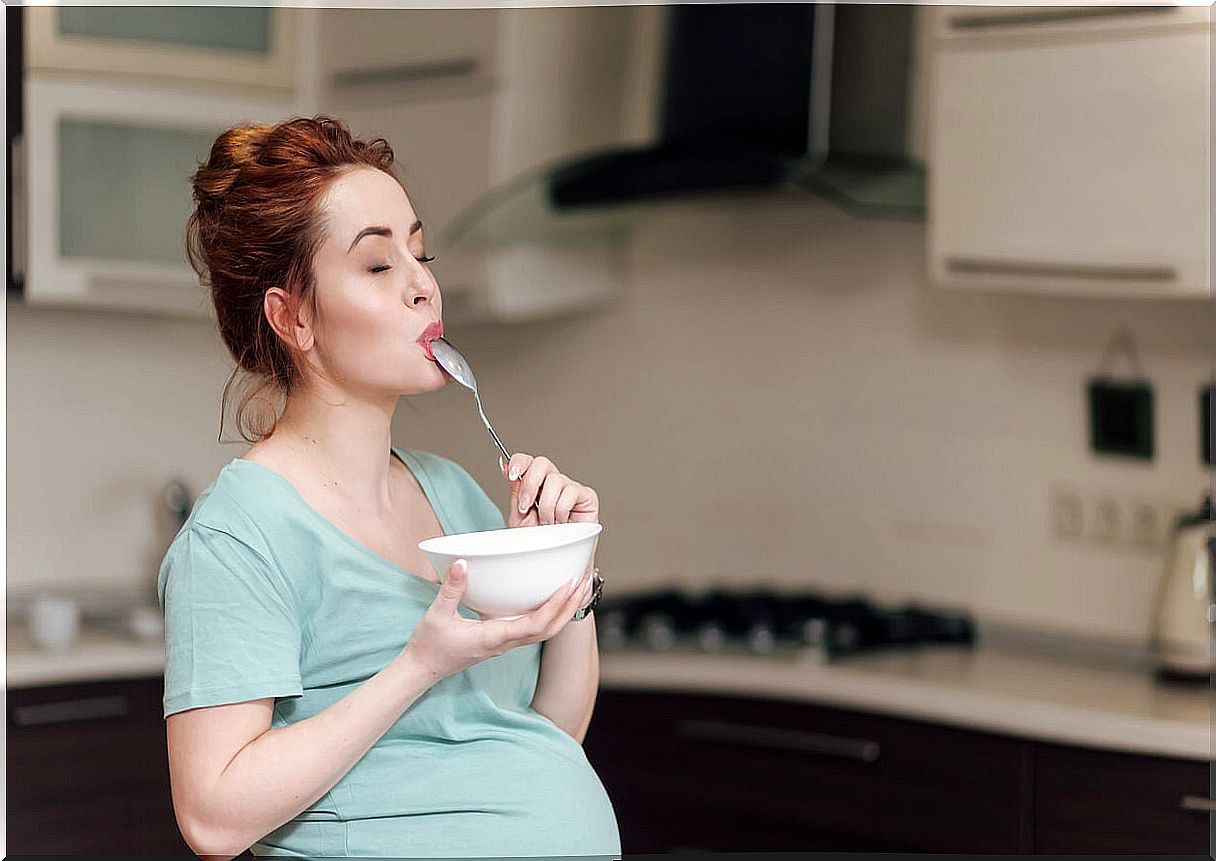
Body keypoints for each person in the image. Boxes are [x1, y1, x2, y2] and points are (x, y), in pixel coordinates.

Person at [159, 116, 618, 859]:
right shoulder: (237, 538)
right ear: (293, 316)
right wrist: (419, 663)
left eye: (420, 250)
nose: (422, 283)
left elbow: (542, 735)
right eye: (379, 264)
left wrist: (567, 561)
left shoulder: (456, 495)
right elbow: (214, 816)